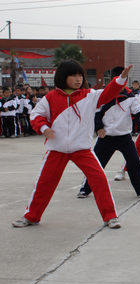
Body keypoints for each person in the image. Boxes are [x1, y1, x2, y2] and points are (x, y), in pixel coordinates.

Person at [13, 60, 132, 229]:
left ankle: (110, 217)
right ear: (63, 77)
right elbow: (35, 115)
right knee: (43, 184)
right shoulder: (50, 97)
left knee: (99, 180)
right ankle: (31, 216)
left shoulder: (90, 96)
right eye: (73, 75)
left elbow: (108, 93)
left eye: (80, 75)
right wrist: (44, 128)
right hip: (56, 149)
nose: (78, 79)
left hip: (82, 149)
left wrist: (120, 79)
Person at [78, 66, 140, 199]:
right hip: (106, 137)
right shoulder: (102, 96)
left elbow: (138, 111)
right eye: (118, 81)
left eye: (124, 81)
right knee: (96, 164)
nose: (121, 84)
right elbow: (96, 113)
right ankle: (85, 189)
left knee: (134, 162)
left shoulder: (131, 97)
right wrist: (99, 128)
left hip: (124, 138)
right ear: (113, 81)